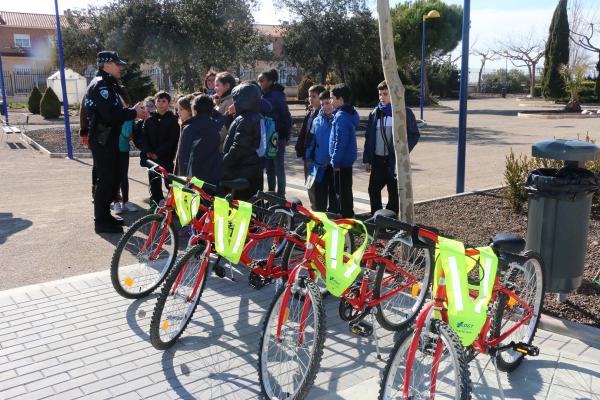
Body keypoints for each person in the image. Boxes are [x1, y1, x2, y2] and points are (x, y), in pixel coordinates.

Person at [84, 51, 145, 233]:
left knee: (112, 179)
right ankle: (101, 221)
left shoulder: (108, 84)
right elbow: (110, 116)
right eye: (117, 64)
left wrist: (131, 112)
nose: (120, 67)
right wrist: (134, 112)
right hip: (103, 139)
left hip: (108, 138)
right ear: (106, 65)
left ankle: (105, 216)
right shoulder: (101, 85)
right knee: (107, 180)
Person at [364, 80, 420, 215]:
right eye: (380, 94)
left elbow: (414, 135)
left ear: (393, 95)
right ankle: (376, 216)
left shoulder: (403, 112)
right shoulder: (375, 113)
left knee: (393, 192)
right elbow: (369, 137)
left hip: (393, 161)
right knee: (373, 189)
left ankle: (390, 218)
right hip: (377, 160)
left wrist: (402, 152)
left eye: (385, 94)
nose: (381, 97)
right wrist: (367, 159)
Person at [222, 83, 262, 200]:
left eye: (236, 100)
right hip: (253, 169)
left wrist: (225, 161)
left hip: (241, 170)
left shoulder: (245, 120)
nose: (234, 103)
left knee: (240, 205)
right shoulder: (257, 116)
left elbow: (239, 147)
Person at [140, 91, 180, 208]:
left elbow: (172, 140)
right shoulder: (149, 118)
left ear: (169, 103)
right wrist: (148, 151)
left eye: (164, 101)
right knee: (154, 182)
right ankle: (157, 204)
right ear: (155, 102)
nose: (161, 104)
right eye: (158, 101)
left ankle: (173, 204)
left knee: (170, 183)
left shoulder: (173, 120)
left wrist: (158, 153)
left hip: (167, 157)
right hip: (151, 158)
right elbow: (143, 136)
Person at [258, 69, 292, 196]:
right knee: (269, 167)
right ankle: (271, 194)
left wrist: (287, 134)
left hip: (277, 135)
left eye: (262, 80)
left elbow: (286, 116)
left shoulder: (276, 96)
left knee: (278, 167)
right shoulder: (263, 95)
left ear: (270, 81)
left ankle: (281, 196)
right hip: (266, 136)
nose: (259, 83)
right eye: (258, 80)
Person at [178, 94, 224, 186]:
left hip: (194, 175)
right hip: (214, 173)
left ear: (194, 109)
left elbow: (183, 156)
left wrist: (182, 178)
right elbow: (220, 117)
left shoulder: (189, 128)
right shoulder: (216, 125)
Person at [329, 83, 359, 218]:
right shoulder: (348, 113)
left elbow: (340, 141)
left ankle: (345, 217)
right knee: (346, 190)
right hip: (346, 161)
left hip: (341, 162)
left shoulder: (341, 117)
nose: (330, 101)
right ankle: (347, 214)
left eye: (332, 98)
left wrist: (335, 161)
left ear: (340, 100)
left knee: (341, 191)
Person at [305, 90, 337, 212]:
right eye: (323, 104)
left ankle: (334, 216)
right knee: (319, 193)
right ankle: (320, 218)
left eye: (328, 103)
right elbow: (311, 141)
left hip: (334, 165)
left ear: (332, 102)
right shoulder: (316, 121)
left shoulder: (337, 119)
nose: (325, 107)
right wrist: (309, 157)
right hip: (319, 164)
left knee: (334, 194)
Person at [295, 84, 326, 209]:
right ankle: (314, 207)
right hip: (307, 156)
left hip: (316, 158)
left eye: (314, 96)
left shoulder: (323, 115)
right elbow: (304, 132)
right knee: (309, 184)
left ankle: (318, 209)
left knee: (317, 186)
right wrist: (300, 147)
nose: (310, 99)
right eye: (309, 96)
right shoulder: (310, 112)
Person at [113, 87, 138, 214]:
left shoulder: (128, 116)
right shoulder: (112, 114)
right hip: (111, 149)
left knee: (123, 176)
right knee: (115, 176)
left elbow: (128, 133)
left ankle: (125, 201)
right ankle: (116, 201)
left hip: (123, 149)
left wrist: (128, 119)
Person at [214, 72, 237, 149]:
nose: (215, 88)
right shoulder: (221, 101)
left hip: (222, 148)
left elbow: (225, 129)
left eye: (217, 85)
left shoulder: (230, 102)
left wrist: (211, 141)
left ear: (227, 86)